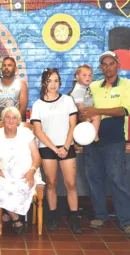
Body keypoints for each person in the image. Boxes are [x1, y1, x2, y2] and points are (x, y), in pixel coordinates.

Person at [82, 51, 130, 236]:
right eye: (104, 64)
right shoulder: (93, 86)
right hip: (92, 140)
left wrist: (97, 110)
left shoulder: (126, 85)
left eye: (111, 63)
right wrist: (84, 114)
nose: (108, 67)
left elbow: (124, 110)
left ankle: (125, 219)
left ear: (117, 65)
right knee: (94, 179)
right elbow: (87, 110)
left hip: (115, 140)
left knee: (118, 180)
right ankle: (101, 215)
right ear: (101, 67)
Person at [31, 68, 81, 233]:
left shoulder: (67, 100)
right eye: (49, 81)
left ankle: (74, 218)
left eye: (56, 81)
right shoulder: (37, 104)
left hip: (66, 147)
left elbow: (73, 125)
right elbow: (38, 131)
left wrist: (65, 147)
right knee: (51, 184)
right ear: (44, 82)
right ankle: (53, 217)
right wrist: (55, 148)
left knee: (71, 184)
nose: (53, 84)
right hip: (47, 149)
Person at [0, 107, 43, 234]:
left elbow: (37, 157)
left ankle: (9, 212)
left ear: (19, 121)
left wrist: (31, 171)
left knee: (23, 185)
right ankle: (16, 218)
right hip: (4, 172)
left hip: (27, 171)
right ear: (2, 120)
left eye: (14, 118)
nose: (10, 120)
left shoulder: (26, 133)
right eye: (7, 117)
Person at [0, 57, 28, 131]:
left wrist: (12, 122)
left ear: (15, 69)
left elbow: (23, 108)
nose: (6, 67)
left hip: (15, 126)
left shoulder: (21, 85)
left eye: (9, 65)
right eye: (4, 65)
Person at [69, 64, 100, 142]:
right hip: (80, 114)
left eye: (90, 75)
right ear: (77, 77)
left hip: (87, 111)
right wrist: (87, 116)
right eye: (84, 75)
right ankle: (93, 136)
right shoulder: (78, 90)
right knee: (97, 116)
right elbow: (80, 107)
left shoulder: (86, 88)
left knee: (97, 114)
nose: (88, 77)